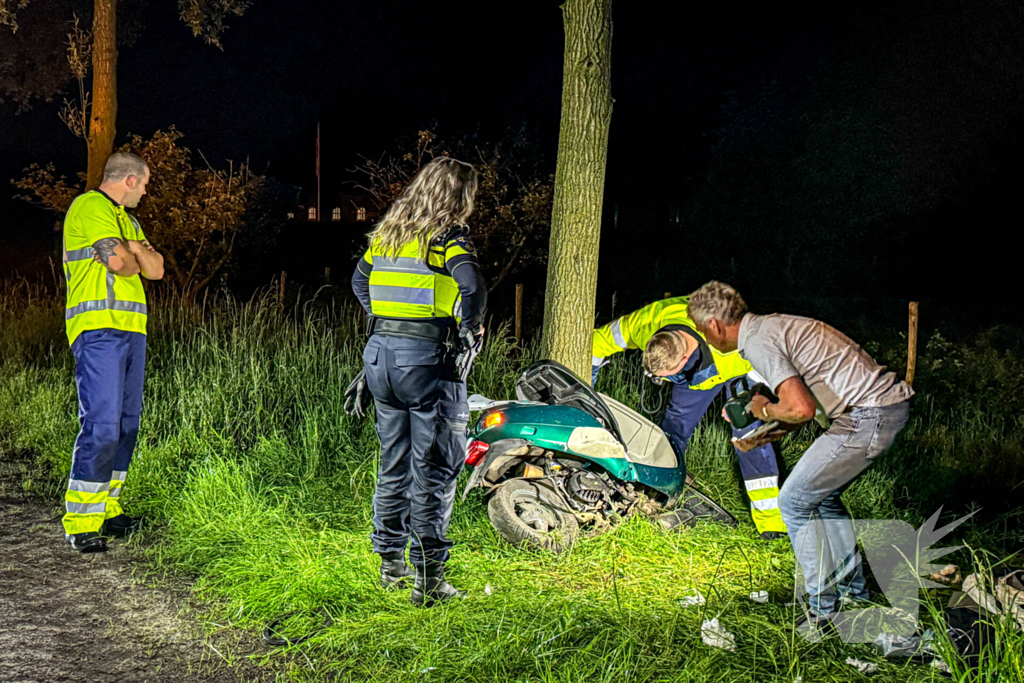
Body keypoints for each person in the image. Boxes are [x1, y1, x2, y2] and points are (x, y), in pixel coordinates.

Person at [688, 281, 914, 627]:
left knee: (793, 502)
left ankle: (822, 612)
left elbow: (801, 408)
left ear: (715, 326)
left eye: (702, 332)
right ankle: (853, 591)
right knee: (822, 499)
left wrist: (763, 411)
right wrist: (767, 433)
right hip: (878, 409)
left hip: (867, 415)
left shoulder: (759, 342)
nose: (705, 341)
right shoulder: (772, 326)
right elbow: (802, 405)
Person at [349, 156, 487, 607]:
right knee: (437, 468)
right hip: (429, 361)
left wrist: (385, 321)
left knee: (395, 462)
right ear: (458, 196)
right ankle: (429, 582)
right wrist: (470, 326)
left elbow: (358, 282)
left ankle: (391, 564)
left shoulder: (389, 236)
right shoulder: (446, 239)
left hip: (380, 360)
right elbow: (472, 286)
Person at [592, 297, 788, 537]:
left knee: (750, 438)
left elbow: (777, 375)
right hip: (698, 376)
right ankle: (655, 496)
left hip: (740, 370)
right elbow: (595, 342)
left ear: (684, 359)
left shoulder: (739, 341)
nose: (661, 382)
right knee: (671, 433)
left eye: (667, 376)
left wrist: (753, 400)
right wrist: (587, 390)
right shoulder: (645, 323)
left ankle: (771, 525)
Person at [61, 152, 164, 553]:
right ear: (129, 180)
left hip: (132, 331)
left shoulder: (129, 220)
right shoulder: (89, 207)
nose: (146, 192)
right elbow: (122, 263)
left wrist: (136, 253)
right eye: (145, 184)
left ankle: (108, 509)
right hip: (98, 330)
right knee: (102, 425)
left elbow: (155, 269)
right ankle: (82, 520)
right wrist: (134, 252)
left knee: (126, 425)